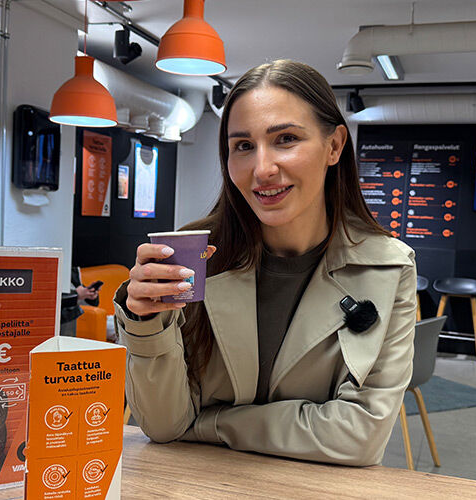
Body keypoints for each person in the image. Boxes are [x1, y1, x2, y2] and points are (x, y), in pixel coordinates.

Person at [112, 60, 417, 466]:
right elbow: (164, 425)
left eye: (285, 139)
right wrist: (145, 322)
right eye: (243, 146)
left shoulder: (389, 269)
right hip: (199, 485)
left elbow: (359, 436)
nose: (262, 169)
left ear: (334, 146)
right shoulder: (195, 256)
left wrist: (213, 424)